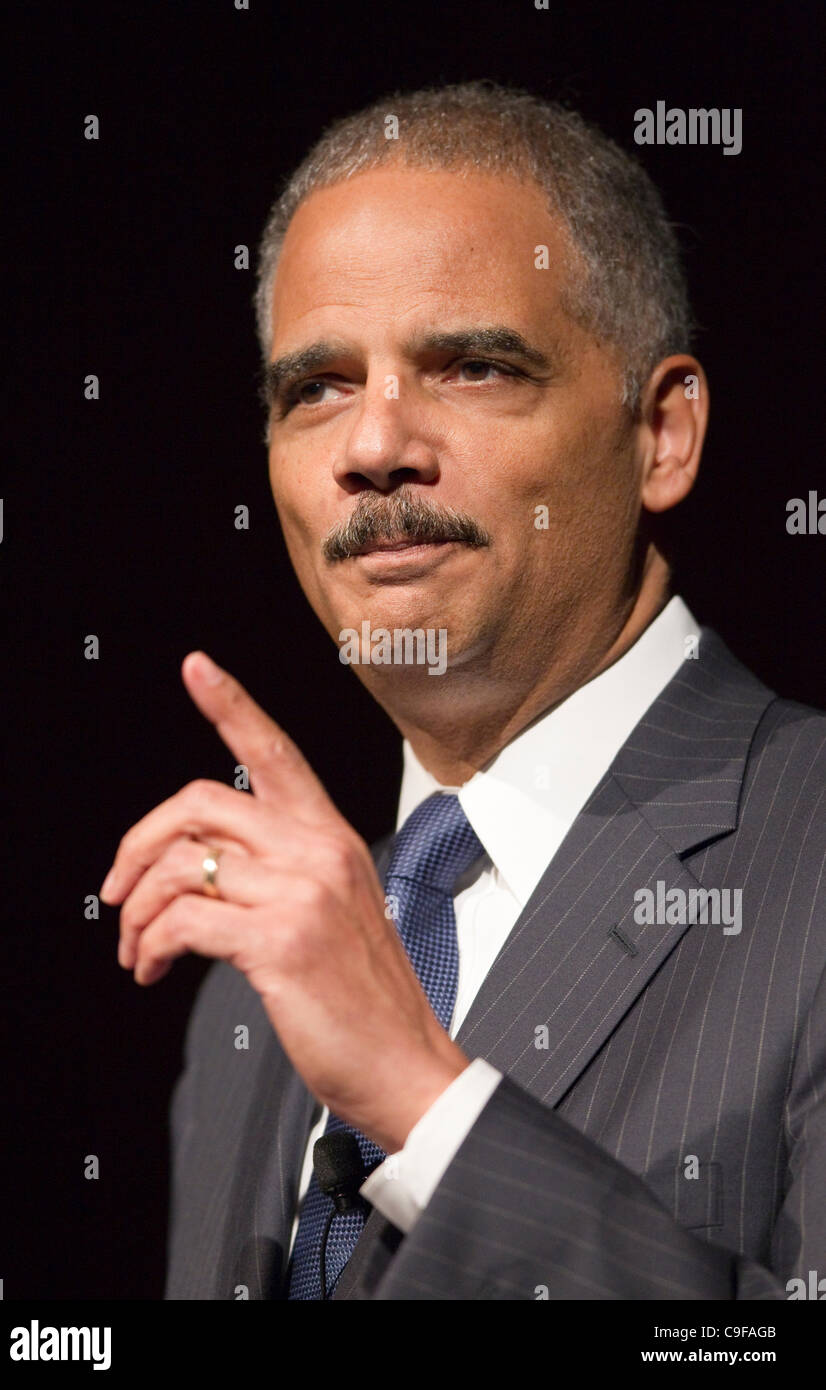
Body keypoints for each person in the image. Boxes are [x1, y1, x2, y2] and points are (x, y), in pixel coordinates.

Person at [100, 82, 826, 1300]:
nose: (372, 445)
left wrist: (425, 1108)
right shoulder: (258, 977)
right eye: (315, 387)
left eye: (474, 367)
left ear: (660, 435)